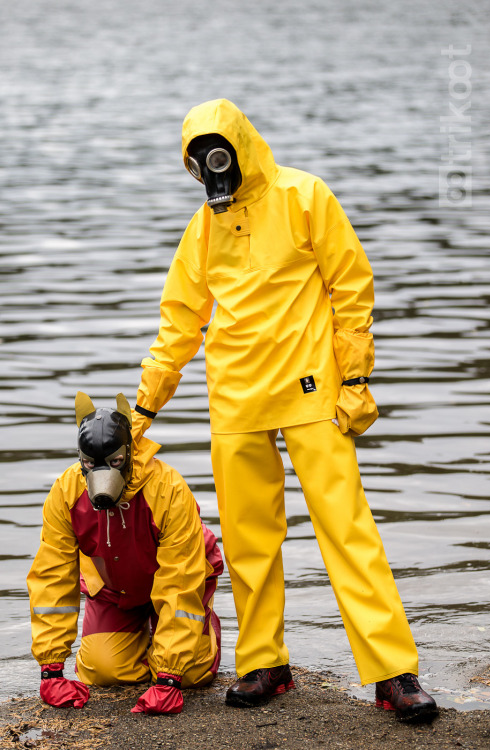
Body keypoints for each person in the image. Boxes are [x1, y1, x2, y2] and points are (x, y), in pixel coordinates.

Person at [132, 99, 438, 721]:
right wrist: (143, 407)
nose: (213, 170)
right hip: (235, 396)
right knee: (247, 539)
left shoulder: (305, 196)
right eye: (199, 161)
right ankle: (263, 662)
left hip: (309, 389)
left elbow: (351, 283)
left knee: (346, 528)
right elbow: (179, 322)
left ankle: (392, 671)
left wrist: (354, 376)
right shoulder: (204, 228)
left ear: (242, 144)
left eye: (219, 152)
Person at [27, 392, 223, 714]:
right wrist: (51, 669)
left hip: (178, 578)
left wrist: (169, 678)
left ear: (129, 452)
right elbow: (52, 576)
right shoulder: (66, 493)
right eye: (90, 464)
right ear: (80, 458)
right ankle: (147, 636)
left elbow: (180, 579)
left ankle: (203, 631)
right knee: (102, 672)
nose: (102, 475)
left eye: (115, 462)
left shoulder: (168, 489)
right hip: (115, 590)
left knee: (191, 674)